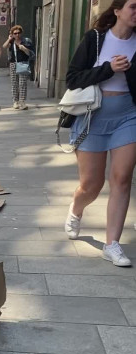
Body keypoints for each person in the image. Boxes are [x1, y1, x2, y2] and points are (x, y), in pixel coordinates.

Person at [64, 0, 136, 266]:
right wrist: (109, 69)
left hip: (128, 116)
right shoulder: (95, 39)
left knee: (122, 178)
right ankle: (77, 207)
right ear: (117, 11)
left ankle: (112, 244)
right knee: (91, 185)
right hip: (92, 117)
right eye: (133, 6)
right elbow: (72, 78)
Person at [3, 25, 32, 109]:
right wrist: (9, 39)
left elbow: (30, 54)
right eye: (15, 33)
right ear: (12, 34)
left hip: (23, 63)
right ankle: (15, 101)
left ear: (21, 33)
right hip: (13, 64)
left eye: (19, 33)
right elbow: (4, 46)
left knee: (22, 83)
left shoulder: (26, 41)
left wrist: (24, 49)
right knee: (14, 83)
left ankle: (22, 102)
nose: (17, 35)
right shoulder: (11, 42)